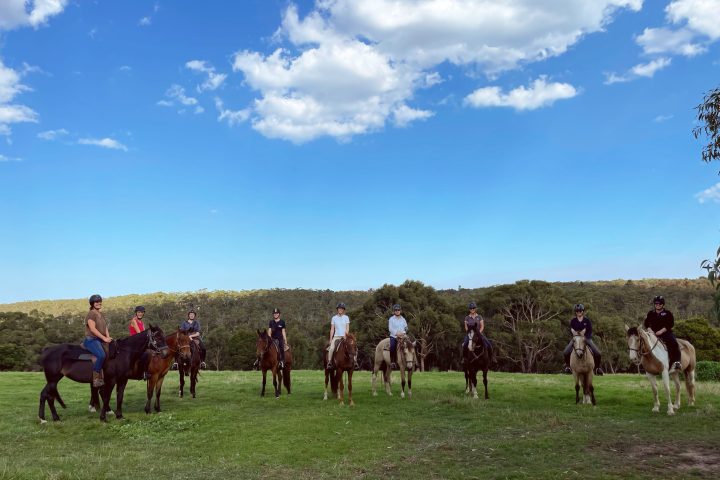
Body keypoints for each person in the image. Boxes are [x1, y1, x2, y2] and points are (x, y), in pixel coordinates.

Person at [562, 304, 604, 375]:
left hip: (586, 338)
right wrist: (574, 334)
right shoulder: (573, 321)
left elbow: (590, 331)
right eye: (577, 311)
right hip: (575, 338)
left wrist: (585, 336)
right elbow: (571, 330)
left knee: (598, 353)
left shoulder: (587, 321)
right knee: (566, 352)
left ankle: (597, 368)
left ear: (582, 311)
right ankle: (568, 367)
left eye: (580, 311)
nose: (579, 312)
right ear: (575, 312)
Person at [644, 295, 682, 371]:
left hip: (665, 333)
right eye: (656, 304)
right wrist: (649, 329)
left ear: (663, 304)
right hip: (652, 333)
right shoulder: (650, 313)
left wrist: (661, 331)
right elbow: (646, 323)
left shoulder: (668, 313)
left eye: (659, 304)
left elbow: (670, 324)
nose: (657, 305)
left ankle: (677, 362)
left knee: (674, 343)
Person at [83, 294, 112, 387]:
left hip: (100, 339)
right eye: (96, 302)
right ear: (92, 303)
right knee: (101, 355)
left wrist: (108, 337)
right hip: (91, 340)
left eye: (100, 302)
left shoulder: (101, 314)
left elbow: (105, 327)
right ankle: (96, 379)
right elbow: (92, 329)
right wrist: (104, 338)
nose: (99, 303)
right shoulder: (91, 313)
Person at [129, 306, 152, 380]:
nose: (140, 314)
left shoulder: (142, 322)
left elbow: (145, 333)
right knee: (145, 354)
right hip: (134, 342)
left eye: (142, 312)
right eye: (139, 312)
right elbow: (140, 333)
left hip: (141, 342)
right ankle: (142, 372)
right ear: (136, 312)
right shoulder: (134, 320)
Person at [327, 302, 350, 370]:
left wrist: (345, 336)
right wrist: (331, 339)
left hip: (344, 337)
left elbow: (347, 328)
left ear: (343, 310)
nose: (340, 310)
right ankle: (329, 362)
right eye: (339, 308)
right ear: (337, 309)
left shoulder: (346, 317)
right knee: (331, 349)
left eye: (342, 309)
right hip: (336, 337)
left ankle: (354, 362)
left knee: (352, 348)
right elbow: (332, 329)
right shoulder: (334, 318)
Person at [388, 304, 408, 369]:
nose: (397, 311)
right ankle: (392, 361)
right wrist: (397, 333)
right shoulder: (391, 319)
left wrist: (403, 333)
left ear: (400, 311)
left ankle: (414, 361)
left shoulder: (403, 319)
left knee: (411, 345)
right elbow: (390, 328)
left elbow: (406, 328)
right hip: (394, 336)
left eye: (398, 310)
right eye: (395, 310)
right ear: (394, 311)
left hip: (403, 336)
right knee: (392, 346)